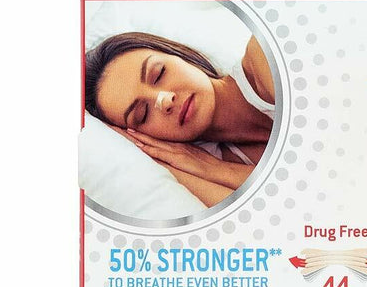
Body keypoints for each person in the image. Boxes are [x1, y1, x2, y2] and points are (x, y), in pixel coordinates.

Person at [85, 31, 275, 207]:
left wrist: (214, 168)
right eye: (143, 114)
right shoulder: (210, 167)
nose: (165, 100)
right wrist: (168, 163)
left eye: (159, 74)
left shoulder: (263, 56)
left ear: (178, 54)